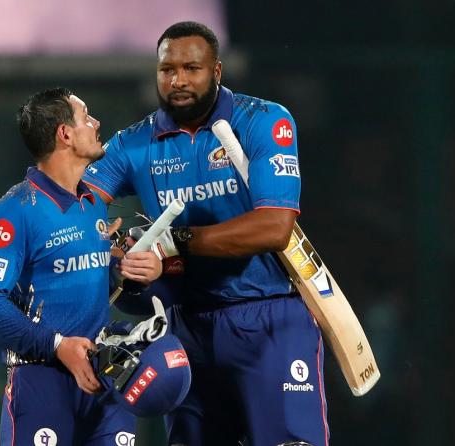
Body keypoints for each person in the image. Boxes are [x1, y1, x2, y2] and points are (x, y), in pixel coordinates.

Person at [83, 22, 329, 446]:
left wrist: (175, 241)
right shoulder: (135, 143)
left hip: (269, 318)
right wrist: (105, 244)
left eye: (191, 68)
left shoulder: (264, 121)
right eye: (167, 70)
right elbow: (77, 201)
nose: (177, 81)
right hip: (186, 329)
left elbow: (275, 227)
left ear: (216, 71)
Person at [0, 87, 162, 446]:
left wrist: (130, 274)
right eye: (86, 117)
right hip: (41, 382)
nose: (96, 123)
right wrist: (56, 346)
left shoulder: (94, 204)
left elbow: (91, 285)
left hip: (103, 378)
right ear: (64, 134)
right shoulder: (16, 210)